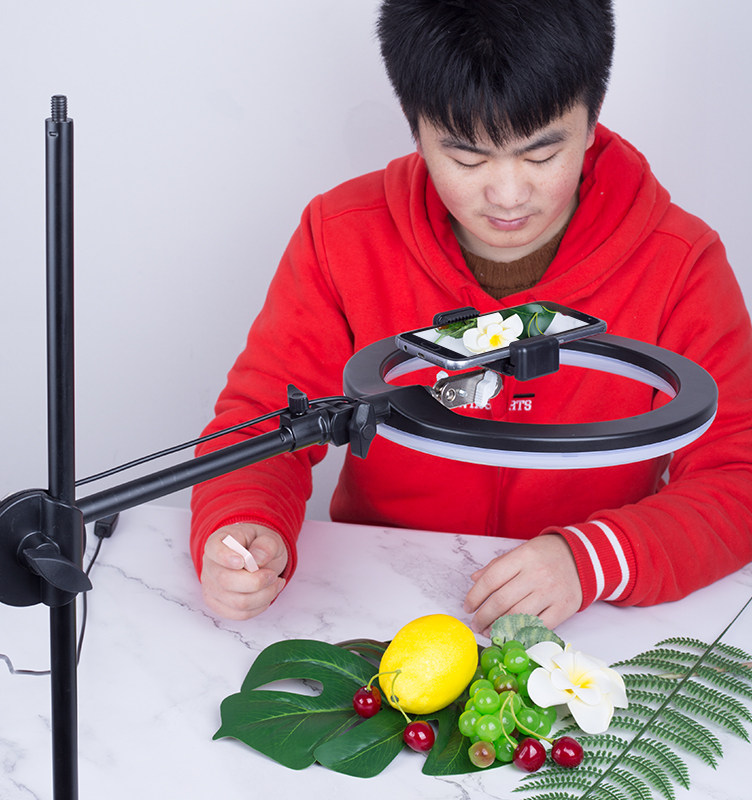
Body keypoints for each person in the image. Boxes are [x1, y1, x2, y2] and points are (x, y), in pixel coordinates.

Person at [190, 0, 752, 631]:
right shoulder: (342, 236)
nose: (508, 196)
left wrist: (592, 559)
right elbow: (264, 417)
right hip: (378, 605)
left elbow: (738, 474)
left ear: (592, 119)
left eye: (541, 156)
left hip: (589, 624)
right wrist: (244, 523)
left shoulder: (680, 262)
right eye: (468, 160)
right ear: (416, 127)